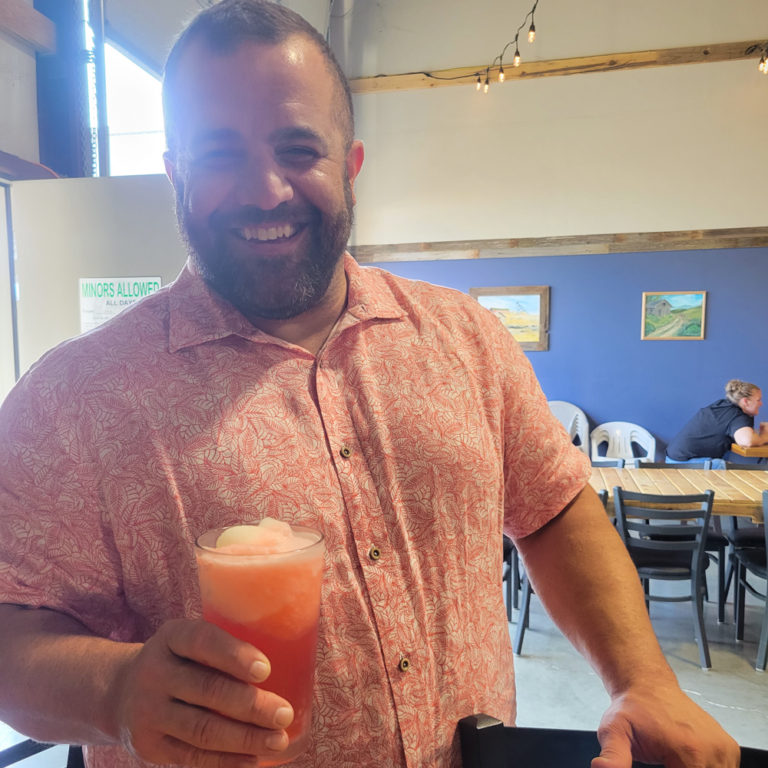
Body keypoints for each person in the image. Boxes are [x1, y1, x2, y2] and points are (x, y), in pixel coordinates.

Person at [0, 2, 739, 767]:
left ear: (349, 167)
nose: (265, 190)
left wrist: (644, 679)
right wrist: (116, 691)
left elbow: (555, 511)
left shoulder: (467, 339)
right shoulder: (72, 399)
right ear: (175, 171)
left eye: (298, 149)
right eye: (219, 153)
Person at [666, 379, 768, 467]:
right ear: (745, 401)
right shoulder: (738, 415)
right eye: (758, 400)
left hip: (673, 459)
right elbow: (747, 441)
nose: (761, 403)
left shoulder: (722, 405)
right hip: (685, 464)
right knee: (736, 472)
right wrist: (764, 436)